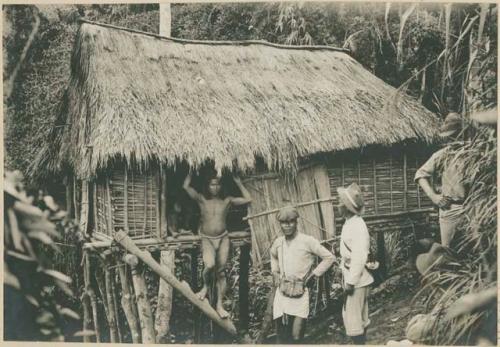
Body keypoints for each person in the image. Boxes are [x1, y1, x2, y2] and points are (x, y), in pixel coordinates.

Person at [183, 171, 252, 318]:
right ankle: (205, 287)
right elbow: (185, 187)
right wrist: (190, 170)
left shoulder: (227, 200)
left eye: (218, 184)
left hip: (223, 238)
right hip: (207, 238)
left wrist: (239, 182)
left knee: (221, 272)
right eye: (212, 184)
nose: (215, 187)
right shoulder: (201, 199)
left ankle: (220, 305)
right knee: (209, 265)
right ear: (207, 186)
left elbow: (248, 199)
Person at [270, 206, 335, 344]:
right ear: (280, 224)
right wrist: (275, 272)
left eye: (291, 221)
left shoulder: (307, 241)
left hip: (300, 293)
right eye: (283, 222)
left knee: (296, 336)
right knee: (281, 335)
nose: (287, 225)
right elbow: (273, 255)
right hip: (282, 294)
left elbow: (329, 257)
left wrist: (314, 274)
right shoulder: (278, 242)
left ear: (296, 222)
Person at [415, 112, 468, 247]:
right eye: (449, 137)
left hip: (472, 208)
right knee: (448, 252)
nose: (452, 139)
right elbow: (420, 174)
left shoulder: (472, 153)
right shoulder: (442, 155)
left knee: (474, 253)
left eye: (455, 135)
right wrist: (434, 197)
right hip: (450, 209)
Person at [338, 182, 373, 345]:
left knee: (354, 320)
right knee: (358, 317)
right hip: (355, 276)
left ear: (347, 207)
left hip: (357, 280)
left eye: (341, 203)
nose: (338, 205)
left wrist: (350, 282)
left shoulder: (357, 226)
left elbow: (359, 256)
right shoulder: (350, 223)